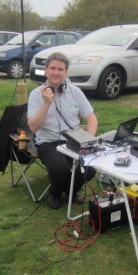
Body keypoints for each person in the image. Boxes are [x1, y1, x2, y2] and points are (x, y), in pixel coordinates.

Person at [28, 52, 98, 209]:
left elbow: (92, 119)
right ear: (46, 70)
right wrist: (46, 104)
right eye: (52, 68)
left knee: (90, 169)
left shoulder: (75, 92)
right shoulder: (35, 95)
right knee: (61, 167)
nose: (56, 72)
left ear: (66, 72)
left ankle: (69, 190)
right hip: (48, 142)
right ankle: (56, 193)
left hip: (74, 141)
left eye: (60, 69)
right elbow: (33, 127)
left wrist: (88, 140)